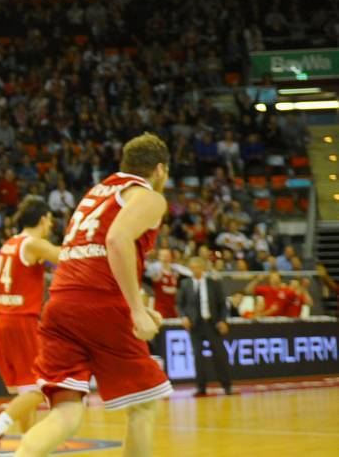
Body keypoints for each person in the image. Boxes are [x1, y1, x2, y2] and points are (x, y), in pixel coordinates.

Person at [15, 133, 173, 457]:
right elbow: (116, 240)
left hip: (60, 304)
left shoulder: (97, 192)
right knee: (143, 406)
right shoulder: (149, 196)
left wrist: (136, 304)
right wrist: (136, 310)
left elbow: (93, 255)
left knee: (67, 412)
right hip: (99, 305)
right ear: (160, 169)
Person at [0, 195, 61, 456]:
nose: (50, 226)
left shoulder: (8, 244)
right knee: (42, 388)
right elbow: (67, 257)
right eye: (50, 221)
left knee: (26, 391)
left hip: (2, 321)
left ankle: (28, 449)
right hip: (22, 321)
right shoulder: (34, 244)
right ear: (43, 219)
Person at [176, 256, 233, 396]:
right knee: (198, 357)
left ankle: (227, 385)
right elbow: (180, 304)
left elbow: (223, 304)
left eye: (197, 267)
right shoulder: (185, 284)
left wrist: (223, 320)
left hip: (212, 324)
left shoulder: (213, 283)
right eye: (192, 267)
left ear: (203, 268)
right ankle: (201, 387)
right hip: (195, 325)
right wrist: (184, 317)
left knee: (220, 355)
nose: (195, 270)